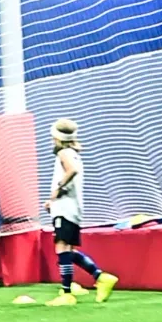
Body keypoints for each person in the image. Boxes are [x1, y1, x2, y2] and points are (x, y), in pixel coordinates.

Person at [44, 119, 118, 306]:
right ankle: (100, 277)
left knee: (62, 248)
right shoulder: (75, 153)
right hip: (72, 207)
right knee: (68, 249)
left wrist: (57, 190)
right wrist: (53, 200)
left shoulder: (63, 153)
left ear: (57, 137)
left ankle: (68, 292)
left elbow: (72, 171)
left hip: (65, 208)